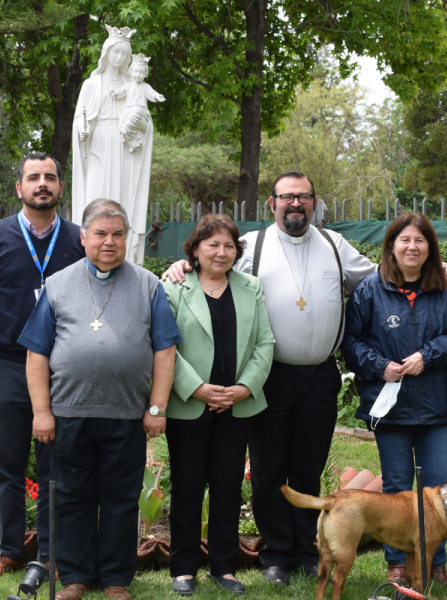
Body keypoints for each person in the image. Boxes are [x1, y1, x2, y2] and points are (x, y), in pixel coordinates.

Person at [162, 172, 447, 584]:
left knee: (308, 468)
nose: (295, 204)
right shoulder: (253, 246)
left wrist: (434, 270)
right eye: (287, 197)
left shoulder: (334, 245)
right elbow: (210, 264)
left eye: (303, 197)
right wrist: (179, 265)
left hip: (320, 375)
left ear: (315, 202)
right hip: (270, 377)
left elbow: (384, 273)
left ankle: (305, 550)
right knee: (267, 470)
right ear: (272, 203)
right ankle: (276, 554)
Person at [18, 199, 181, 600]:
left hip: (126, 415)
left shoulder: (148, 285)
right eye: (101, 233)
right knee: (71, 497)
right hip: (68, 414)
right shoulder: (57, 284)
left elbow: (165, 350)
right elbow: (36, 353)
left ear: (127, 238)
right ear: (84, 237)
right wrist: (41, 412)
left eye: (118, 234)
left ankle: (115, 580)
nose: (109, 242)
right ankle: (75, 577)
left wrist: (157, 407)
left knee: (121, 500)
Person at [0, 153, 85, 580]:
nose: (42, 184)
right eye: (33, 178)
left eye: (50, 177)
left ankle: (49, 555)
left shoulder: (78, 238)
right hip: (9, 364)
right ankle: (8, 550)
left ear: (60, 187)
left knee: (57, 467)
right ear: (19, 188)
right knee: (9, 465)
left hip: (64, 368)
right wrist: (6, 327)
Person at [342, 212, 447, 587]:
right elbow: (351, 342)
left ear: (430, 247)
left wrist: (428, 355)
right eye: (405, 240)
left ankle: (435, 564)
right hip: (390, 409)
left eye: (420, 240)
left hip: (435, 407)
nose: (412, 247)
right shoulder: (369, 290)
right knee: (396, 488)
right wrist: (379, 365)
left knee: (439, 489)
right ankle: (397, 564)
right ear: (391, 246)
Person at [161, 215, 275, 596]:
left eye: (228, 245)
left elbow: (265, 343)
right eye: (212, 244)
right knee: (189, 486)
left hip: (236, 406)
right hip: (190, 405)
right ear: (195, 249)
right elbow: (164, 346)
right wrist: (196, 388)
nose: (221, 252)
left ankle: (224, 568)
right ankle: (183, 568)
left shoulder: (250, 287)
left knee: (228, 486)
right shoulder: (175, 286)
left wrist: (243, 388)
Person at [73, 24, 153, 265]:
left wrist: (141, 124)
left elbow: (145, 122)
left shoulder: (134, 85)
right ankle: (93, 253)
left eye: (124, 54)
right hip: (98, 147)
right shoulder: (91, 84)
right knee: (96, 199)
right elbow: (80, 118)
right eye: (115, 52)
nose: (119, 58)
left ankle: (125, 256)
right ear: (106, 53)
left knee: (124, 199)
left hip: (125, 149)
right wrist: (82, 129)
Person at [112, 54, 165, 153]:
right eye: (136, 71)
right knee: (131, 117)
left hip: (141, 110)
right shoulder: (128, 85)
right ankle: (126, 132)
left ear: (145, 74)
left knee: (136, 111)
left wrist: (157, 96)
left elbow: (151, 93)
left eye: (141, 73)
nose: (138, 74)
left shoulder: (146, 86)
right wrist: (115, 93)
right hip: (128, 110)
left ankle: (126, 127)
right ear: (131, 71)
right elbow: (121, 92)